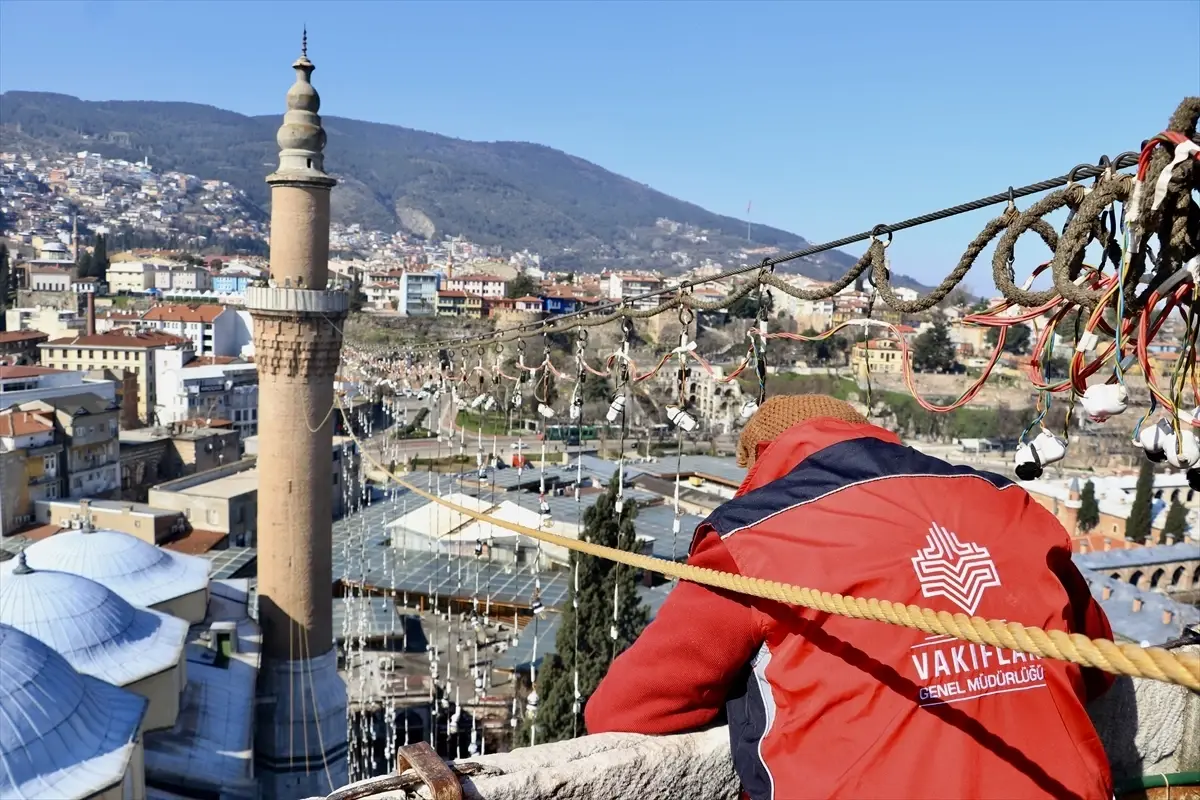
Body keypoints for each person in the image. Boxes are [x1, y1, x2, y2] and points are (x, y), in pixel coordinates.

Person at [585, 395, 1114, 800]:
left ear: (761, 462)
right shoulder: (1007, 502)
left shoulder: (753, 536)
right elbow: (1097, 666)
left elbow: (625, 711)